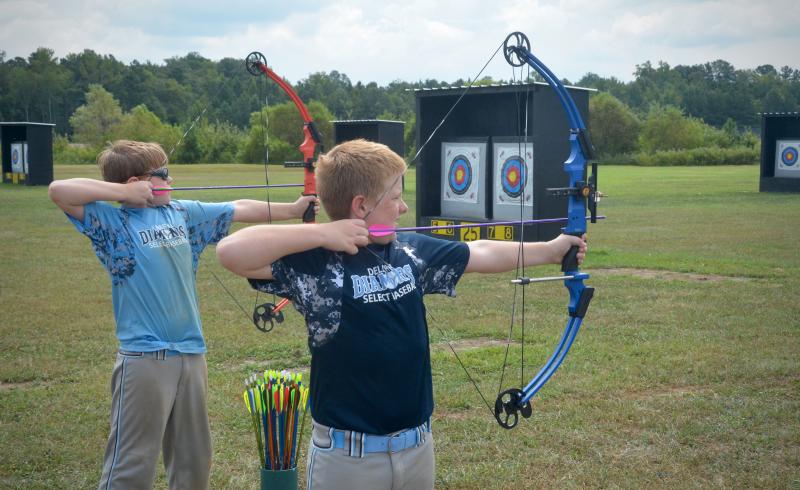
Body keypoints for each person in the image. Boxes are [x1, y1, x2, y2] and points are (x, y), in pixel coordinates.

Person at [216, 139, 586, 490]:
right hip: (348, 457)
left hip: (416, 446)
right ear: (361, 206)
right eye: (395, 197)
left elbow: (480, 253)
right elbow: (232, 251)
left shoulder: (409, 251)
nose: (403, 207)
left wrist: (552, 250)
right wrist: (324, 234)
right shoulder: (318, 265)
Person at [48, 140, 318, 490]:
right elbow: (60, 190)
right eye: (162, 175)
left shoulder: (181, 213)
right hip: (145, 358)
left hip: (191, 354)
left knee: (194, 461)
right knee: (132, 465)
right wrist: (123, 193)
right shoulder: (112, 223)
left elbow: (236, 207)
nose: (170, 180)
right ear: (136, 182)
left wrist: (293, 210)